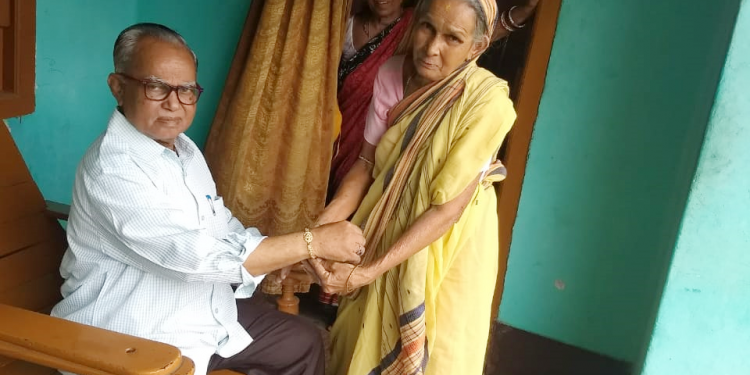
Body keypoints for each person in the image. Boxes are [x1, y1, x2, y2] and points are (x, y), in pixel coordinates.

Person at [50, 23, 365, 375]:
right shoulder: (111, 168)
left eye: (186, 90)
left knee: (302, 344)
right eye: (156, 87)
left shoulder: (184, 151)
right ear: (118, 87)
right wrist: (310, 241)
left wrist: (292, 253)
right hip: (131, 335)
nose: (174, 104)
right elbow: (194, 258)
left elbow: (221, 226)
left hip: (200, 313)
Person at [310, 0, 516, 373]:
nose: (432, 48)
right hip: (385, 215)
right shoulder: (391, 73)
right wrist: (320, 229)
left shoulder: (485, 103)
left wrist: (369, 270)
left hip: (452, 238)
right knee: (361, 333)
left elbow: (447, 209)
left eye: (453, 38)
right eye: (426, 28)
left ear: (477, 47)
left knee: (443, 343)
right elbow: (367, 164)